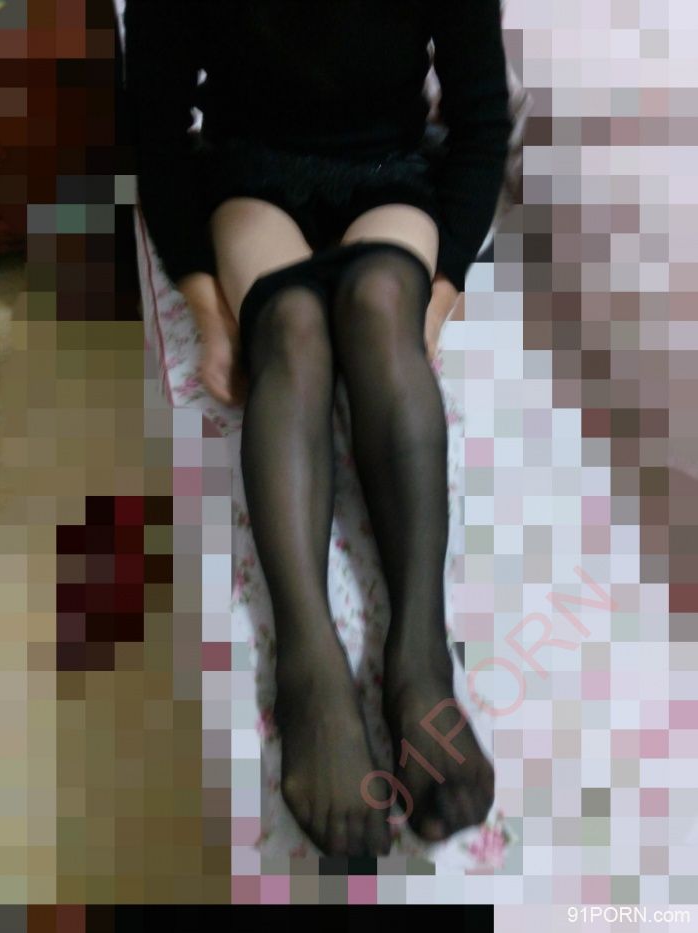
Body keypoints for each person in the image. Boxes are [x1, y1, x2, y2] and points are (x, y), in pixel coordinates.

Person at [124, 0, 513, 858]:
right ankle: (308, 664)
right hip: (252, 178)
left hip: (388, 174)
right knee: (291, 329)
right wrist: (207, 309)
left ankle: (420, 660)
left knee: (380, 307)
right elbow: (155, 128)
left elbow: (482, 121)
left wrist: (440, 295)